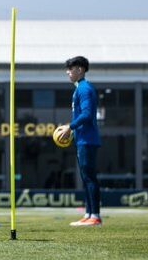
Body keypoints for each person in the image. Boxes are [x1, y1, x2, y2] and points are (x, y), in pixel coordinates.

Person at [58, 56, 102, 227]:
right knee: (86, 178)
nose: (68, 72)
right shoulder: (80, 88)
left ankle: (95, 216)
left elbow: (87, 114)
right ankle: (89, 214)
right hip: (82, 139)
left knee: (90, 178)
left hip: (88, 139)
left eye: (71, 68)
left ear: (81, 70)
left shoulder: (85, 89)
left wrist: (70, 127)